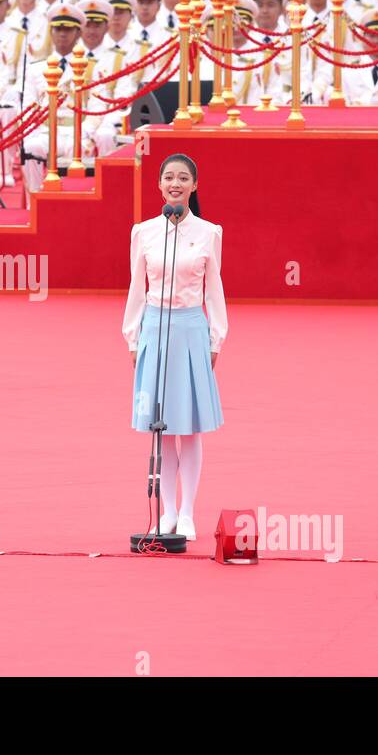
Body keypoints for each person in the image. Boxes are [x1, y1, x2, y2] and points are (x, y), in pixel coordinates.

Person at [122, 153, 227, 541]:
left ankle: (187, 513)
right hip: (154, 327)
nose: (175, 184)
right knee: (160, 427)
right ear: (159, 185)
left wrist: (217, 337)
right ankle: (165, 512)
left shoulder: (209, 232)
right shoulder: (144, 232)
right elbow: (136, 288)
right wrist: (133, 335)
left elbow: (213, 290)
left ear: (194, 186)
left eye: (183, 178)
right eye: (169, 178)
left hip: (190, 331)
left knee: (189, 427)